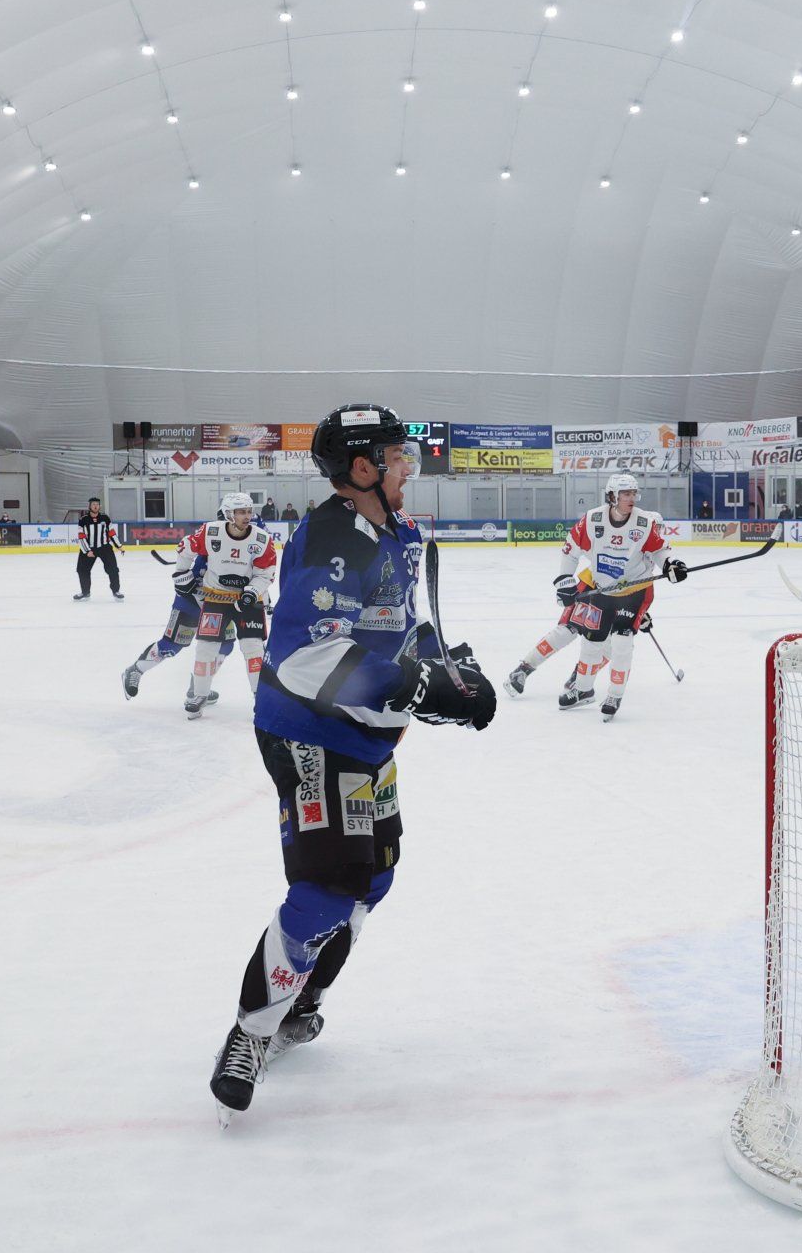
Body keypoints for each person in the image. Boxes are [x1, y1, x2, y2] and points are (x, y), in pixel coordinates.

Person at [210, 403, 495, 1123]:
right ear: (362, 469)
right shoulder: (332, 541)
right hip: (308, 734)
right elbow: (307, 658)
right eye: (398, 457)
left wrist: (440, 668)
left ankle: (303, 992)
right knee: (328, 891)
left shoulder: (398, 530)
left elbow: (404, 623)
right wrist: (417, 685)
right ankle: (249, 1033)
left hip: (370, 739)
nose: (410, 468)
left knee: (375, 880)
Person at [502, 472, 686, 719]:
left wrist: (642, 611)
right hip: (593, 587)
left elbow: (648, 572)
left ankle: (585, 681)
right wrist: (565, 583)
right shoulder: (596, 521)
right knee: (568, 630)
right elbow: (573, 551)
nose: (658, 532)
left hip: (627, 595)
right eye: (626, 493)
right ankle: (525, 668)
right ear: (612, 496)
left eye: (634, 494)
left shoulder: (647, 537)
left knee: (615, 644)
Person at [176, 493, 279, 718]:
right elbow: (186, 547)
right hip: (216, 598)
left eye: (249, 511)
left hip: (247, 601)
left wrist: (252, 592)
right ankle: (199, 694)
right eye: (241, 512)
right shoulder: (211, 531)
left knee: (253, 648)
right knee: (205, 647)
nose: (247, 516)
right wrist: (180, 573)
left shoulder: (261, 539)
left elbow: (266, 573)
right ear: (229, 514)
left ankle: (260, 697)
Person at [121, 525, 237, 701]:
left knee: (225, 644)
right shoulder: (213, 532)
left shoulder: (249, 539)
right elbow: (186, 545)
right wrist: (182, 576)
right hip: (191, 600)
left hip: (222, 603)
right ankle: (136, 669)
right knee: (172, 645)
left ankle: (199, 685)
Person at [74, 497, 123, 600]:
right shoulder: (83, 520)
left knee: (113, 569)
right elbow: (81, 536)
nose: (95, 506)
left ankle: (116, 591)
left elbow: (111, 532)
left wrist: (119, 546)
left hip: (105, 548)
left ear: (99, 506)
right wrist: (87, 551)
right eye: (93, 504)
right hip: (89, 549)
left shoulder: (105, 518)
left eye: (97, 504)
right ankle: (85, 592)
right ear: (89, 506)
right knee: (82, 570)